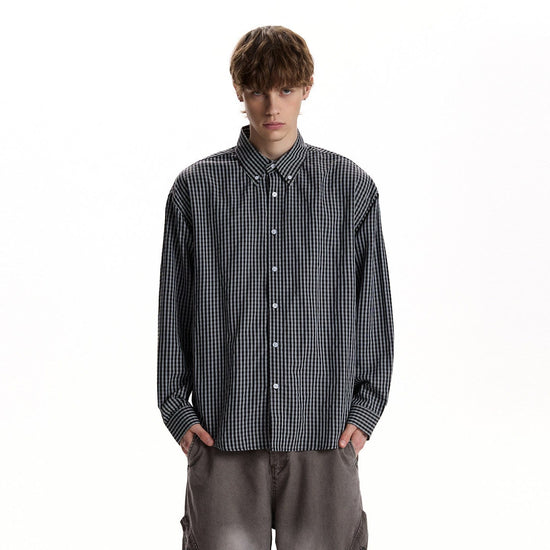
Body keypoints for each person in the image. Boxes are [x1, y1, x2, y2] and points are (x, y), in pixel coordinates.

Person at [157, 25, 394, 550]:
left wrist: (365, 412)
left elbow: (373, 309)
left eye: (285, 88)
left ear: (307, 87)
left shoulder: (350, 189)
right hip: (223, 434)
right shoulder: (195, 191)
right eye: (258, 89)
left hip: (323, 434)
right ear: (239, 91)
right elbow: (174, 308)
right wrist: (177, 411)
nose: (272, 106)